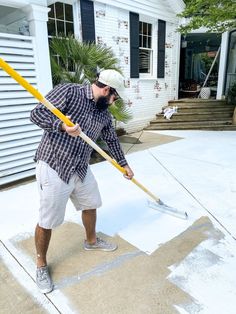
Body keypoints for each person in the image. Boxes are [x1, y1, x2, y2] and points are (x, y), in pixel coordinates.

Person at [30, 69, 134, 294]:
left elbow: (111, 140)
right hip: (54, 164)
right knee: (48, 220)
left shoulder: (104, 115)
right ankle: (40, 265)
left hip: (80, 167)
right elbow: (37, 114)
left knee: (91, 203)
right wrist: (62, 127)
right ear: (107, 90)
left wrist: (123, 164)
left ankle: (91, 241)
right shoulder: (69, 91)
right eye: (115, 97)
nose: (114, 102)